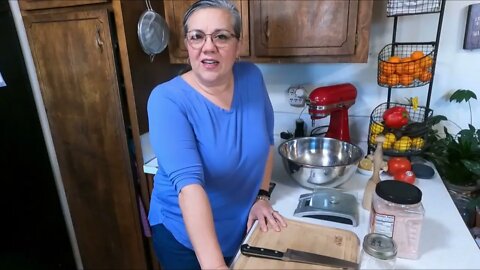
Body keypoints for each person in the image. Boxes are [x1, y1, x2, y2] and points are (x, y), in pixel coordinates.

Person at [147, 0, 287, 269]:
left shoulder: (251, 77)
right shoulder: (167, 100)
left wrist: (262, 196)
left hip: (238, 225)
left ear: (238, 45)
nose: (208, 46)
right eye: (197, 36)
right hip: (184, 236)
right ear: (187, 44)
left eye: (221, 36)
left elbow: (266, 141)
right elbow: (190, 189)